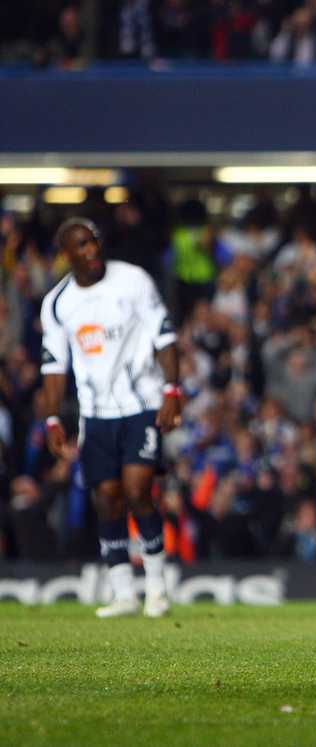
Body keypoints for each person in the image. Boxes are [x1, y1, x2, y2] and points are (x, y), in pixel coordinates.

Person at [38, 218, 183, 618]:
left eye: (94, 241)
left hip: (141, 404)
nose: (92, 249)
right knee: (106, 499)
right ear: (66, 255)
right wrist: (52, 418)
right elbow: (54, 367)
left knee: (138, 492)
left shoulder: (133, 280)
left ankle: (156, 588)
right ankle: (123, 593)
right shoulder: (57, 304)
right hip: (95, 414)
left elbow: (165, 337)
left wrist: (172, 390)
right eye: (82, 245)